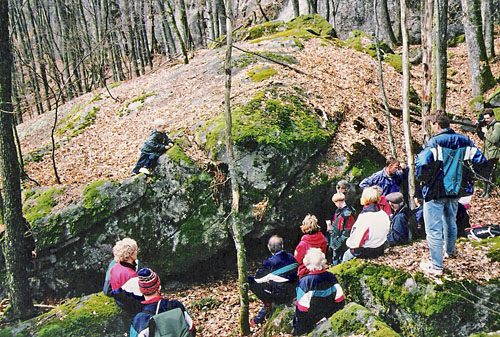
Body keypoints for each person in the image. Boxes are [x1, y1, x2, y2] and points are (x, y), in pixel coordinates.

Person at [416, 110, 486, 276]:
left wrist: (425, 180)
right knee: (450, 221)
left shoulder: (434, 142)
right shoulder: (464, 140)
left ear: (436, 124)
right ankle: (450, 251)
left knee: (433, 228)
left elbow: (421, 163)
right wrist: (467, 176)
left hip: (435, 190)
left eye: (432, 124)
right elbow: (480, 160)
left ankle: (437, 266)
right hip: (455, 189)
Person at [292, 248, 345, 336]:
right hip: (329, 314)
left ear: (307, 262)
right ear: (323, 261)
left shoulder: (305, 282)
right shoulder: (331, 277)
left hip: (311, 320)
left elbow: (301, 310)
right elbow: (340, 300)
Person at [248, 235, 298, 326]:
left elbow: (258, 279)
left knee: (250, 280)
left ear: (269, 248)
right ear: (282, 246)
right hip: (294, 292)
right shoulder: (291, 257)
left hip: (280, 297)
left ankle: (267, 302)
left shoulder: (269, 262)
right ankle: (265, 309)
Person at [130, 268, 196, 337]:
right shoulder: (176, 305)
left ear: (141, 291)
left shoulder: (139, 320)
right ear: (159, 288)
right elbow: (192, 328)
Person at [342, 187, 390, 263]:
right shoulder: (383, 214)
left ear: (365, 199)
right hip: (380, 248)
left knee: (346, 256)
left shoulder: (365, 217)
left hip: (366, 251)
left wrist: (348, 242)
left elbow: (356, 241)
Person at [107, 238, 144, 314]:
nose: (137, 252)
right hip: (130, 306)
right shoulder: (131, 275)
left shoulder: (115, 267)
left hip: (119, 300)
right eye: (135, 250)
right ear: (130, 254)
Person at [294, 214, 327, 279]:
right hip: (320, 270)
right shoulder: (323, 239)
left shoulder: (302, 244)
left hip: (306, 273)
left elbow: (297, 261)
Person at [477, 108, 500, 198]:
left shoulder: (497, 125)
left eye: (487, 118)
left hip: (494, 153)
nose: (486, 120)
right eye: (485, 118)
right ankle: (485, 190)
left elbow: (494, 139)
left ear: (492, 116)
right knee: (485, 173)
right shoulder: (489, 126)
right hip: (487, 153)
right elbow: (483, 139)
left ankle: (488, 192)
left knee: (489, 173)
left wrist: (486, 132)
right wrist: (479, 129)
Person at [327, 193, 355, 265]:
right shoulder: (338, 211)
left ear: (339, 201)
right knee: (335, 258)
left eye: (335, 202)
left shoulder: (348, 214)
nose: (335, 204)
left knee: (340, 259)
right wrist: (331, 230)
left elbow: (347, 231)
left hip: (341, 243)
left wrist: (338, 243)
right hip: (335, 239)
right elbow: (334, 224)